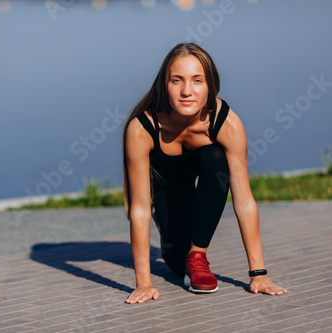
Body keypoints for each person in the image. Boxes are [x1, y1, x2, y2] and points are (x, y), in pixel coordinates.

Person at [122, 43, 287, 304]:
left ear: (210, 85)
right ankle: (170, 228)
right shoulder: (143, 128)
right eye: (177, 80)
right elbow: (140, 208)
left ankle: (197, 255)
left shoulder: (226, 122)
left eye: (197, 80)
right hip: (169, 189)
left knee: (215, 157)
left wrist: (258, 275)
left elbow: (244, 200)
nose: (187, 91)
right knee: (177, 265)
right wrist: (144, 283)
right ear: (164, 84)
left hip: (208, 176)